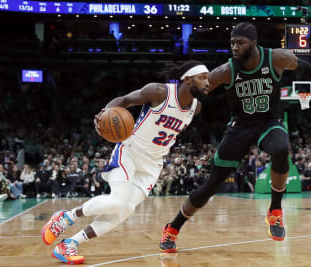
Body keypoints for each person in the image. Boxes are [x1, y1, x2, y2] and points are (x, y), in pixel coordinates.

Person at [160, 22, 311, 253]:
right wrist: (177, 104)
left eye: (240, 42)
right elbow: (197, 90)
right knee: (210, 185)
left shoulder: (276, 58)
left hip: (269, 122)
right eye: (232, 43)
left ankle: (275, 211)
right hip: (240, 126)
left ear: (254, 44)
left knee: (281, 149)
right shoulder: (225, 71)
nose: (235, 47)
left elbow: (308, 69)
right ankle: (172, 228)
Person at [41, 60, 210, 264]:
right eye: (203, 78)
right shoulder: (159, 92)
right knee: (118, 200)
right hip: (129, 152)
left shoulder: (196, 107)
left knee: (125, 210)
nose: (207, 83)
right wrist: (104, 114)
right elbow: (125, 100)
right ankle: (66, 217)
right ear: (188, 79)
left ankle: (69, 244)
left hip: (153, 164)